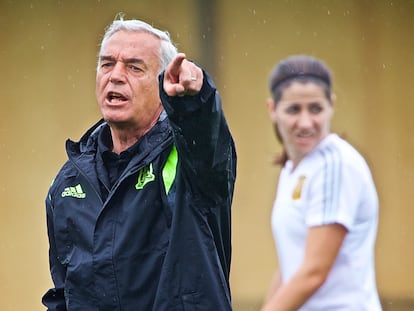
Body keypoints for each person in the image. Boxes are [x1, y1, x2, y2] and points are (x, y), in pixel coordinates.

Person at [42, 16, 236, 311]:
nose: (116, 76)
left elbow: (208, 148)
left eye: (134, 67)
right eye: (107, 64)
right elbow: (65, 292)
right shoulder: (68, 183)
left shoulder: (189, 158)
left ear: (163, 83)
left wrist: (194, 103)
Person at [261, 55, 381, 311]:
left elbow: (314, 272)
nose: (305, 122)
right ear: (273, 110)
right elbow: (291, 266)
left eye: (315, 108)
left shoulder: (334, 165)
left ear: (331, 106)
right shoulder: (294, 168)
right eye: (294, 109)